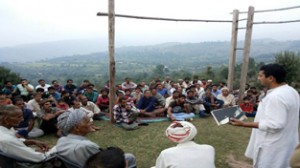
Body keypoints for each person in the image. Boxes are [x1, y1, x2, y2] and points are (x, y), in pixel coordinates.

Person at [230, 64, 300, 168]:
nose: (258, 78)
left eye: (260, 76)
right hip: (287, 143)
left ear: (271, 78)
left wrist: (244, 124)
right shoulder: (291, 91)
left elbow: (275, 124)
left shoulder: (275, 97)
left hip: (273, 146)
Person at [56, 109, 137, 168]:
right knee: (130, 157)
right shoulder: (86, 146)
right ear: (77, 127)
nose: (91, 123)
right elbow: (105, 162)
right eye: (87, 122)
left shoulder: (62, 140)